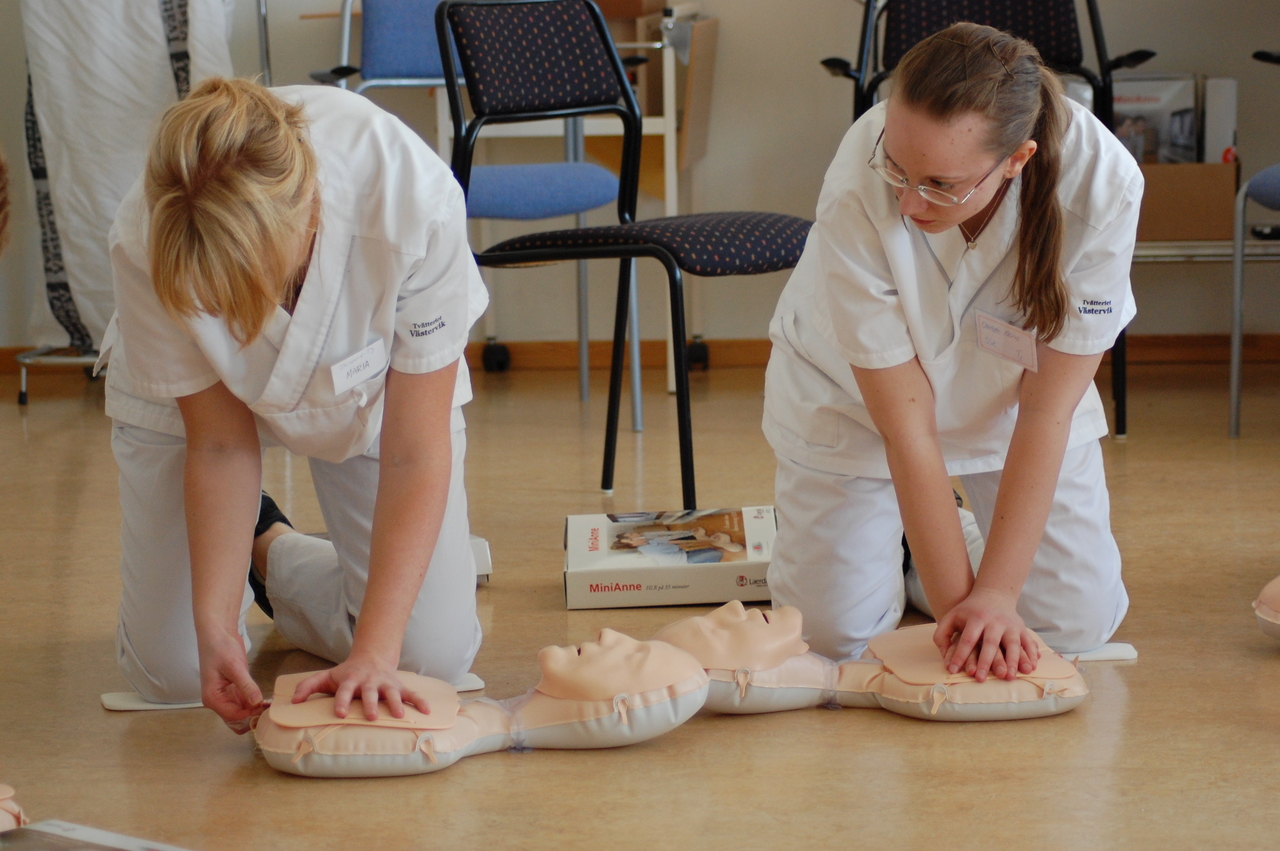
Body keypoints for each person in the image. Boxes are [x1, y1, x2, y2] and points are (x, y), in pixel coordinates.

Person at [99, 77, 488, 727]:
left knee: (427, 659)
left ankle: (270, 548)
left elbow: (415, 452)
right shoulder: (152, 229)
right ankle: (236, 575)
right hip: (195, 416)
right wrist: (219, 623)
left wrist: (374, 652)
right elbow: (221, 443)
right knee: (174, 674)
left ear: (309, 213)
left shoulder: (411, 202)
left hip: (372, 399)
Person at [762, 23, 1141, 681]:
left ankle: (940, 539)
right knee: (833, 640)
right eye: (899, 172)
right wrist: (960, 614)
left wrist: (994, 596)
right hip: (855, 404)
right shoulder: (859, 174)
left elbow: (1047, 413)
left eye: (941, 183)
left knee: (1073, 626)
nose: (909, 202)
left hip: (1017, 402)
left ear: (1017, 160)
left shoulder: (1102, 185)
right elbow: (906, 428)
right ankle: (912, 547)